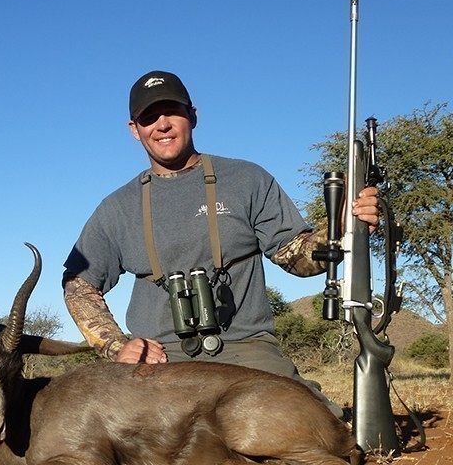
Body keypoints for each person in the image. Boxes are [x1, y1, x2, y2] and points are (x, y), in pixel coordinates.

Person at [62, 70, 381, 416]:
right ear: (134, 129)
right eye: (149, 117)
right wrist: (116, 346)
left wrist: (344, 226)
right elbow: (78, 283)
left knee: (313, 426)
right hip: (161, 357)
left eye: (172, 111)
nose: (162, 125)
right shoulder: (117, 207)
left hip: (247, 349)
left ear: (193, 115)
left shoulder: (247, 179)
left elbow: (298, 258)